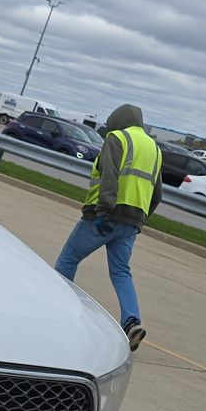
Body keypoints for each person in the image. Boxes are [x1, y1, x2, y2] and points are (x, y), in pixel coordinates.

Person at [54, 104, 163, 351]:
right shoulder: (154, 148)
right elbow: (157, 194)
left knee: (68, 259)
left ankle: (58, 310)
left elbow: (109, 177)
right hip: (132, 222)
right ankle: (131, 322)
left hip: (103, 216)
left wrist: (103, 211)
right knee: (121, 272)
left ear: (117, 120)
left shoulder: (117, 138)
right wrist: (140, 220)